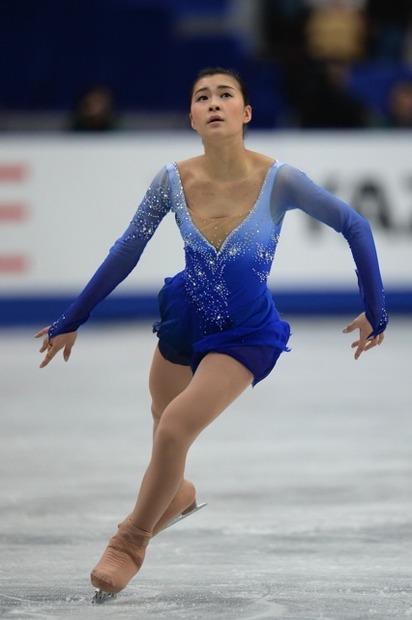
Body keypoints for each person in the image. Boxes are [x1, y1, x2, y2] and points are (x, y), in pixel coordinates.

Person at [35, 67, 387, 599]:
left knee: (175, 428)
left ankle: (130, 541)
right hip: (185, 315)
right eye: (203, 97)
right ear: (193, 117)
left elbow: (355, 226)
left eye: (226, 95)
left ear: (245, 113)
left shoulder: (280, 180)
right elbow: (126, 250)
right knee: (162, 425)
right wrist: (73, 318)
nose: (214, 103)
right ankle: (175, 495)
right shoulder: (172, 180)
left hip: (244, 333)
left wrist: (374, 311)